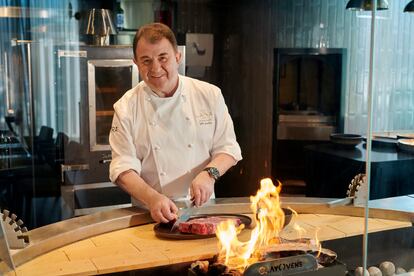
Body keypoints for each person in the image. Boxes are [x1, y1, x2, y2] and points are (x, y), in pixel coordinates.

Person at [109, 23, 242, 223]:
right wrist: (153, 198)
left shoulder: (209, 95)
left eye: (163, 58)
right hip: (149, 213)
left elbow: (228, 149)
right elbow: (122, 168)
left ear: (177, 57)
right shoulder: (126, 107)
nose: (155, 68)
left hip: (202, 211)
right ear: (136, 63)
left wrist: (209, 174)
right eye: (146, 61)